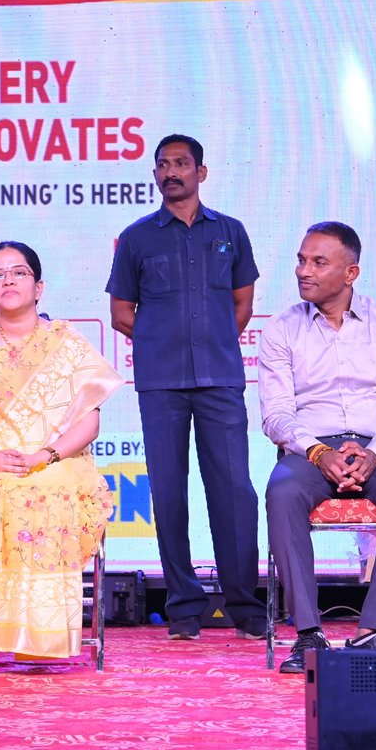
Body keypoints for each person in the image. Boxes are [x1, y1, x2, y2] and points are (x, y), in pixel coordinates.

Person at [106, 133, 264, 641]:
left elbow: (242, 304)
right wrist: (162, 341)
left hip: (220, 379)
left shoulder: (230, 232)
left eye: (180, 163)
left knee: (233, 491)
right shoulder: (136, 238)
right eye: (162, 165)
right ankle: (183, 606)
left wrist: (211, 341)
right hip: (161, 384)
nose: (171, 172)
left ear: (201, 172)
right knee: (169, 492)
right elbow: (121, 312)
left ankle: (244, 604)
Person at [260, 222, 376, 675]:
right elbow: (275, 414)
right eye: (301, 260)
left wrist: (375, 453)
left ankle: (374, 631)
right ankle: (307, 634)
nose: (304, 271)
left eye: (319, 262)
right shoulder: (281, 328)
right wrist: (320, 453)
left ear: (350, 273)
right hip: (310, 451)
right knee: (282, 492)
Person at [0, 241, 119, 659]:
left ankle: (44, 632)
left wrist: (45, 456)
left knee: (48, 489)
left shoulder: (66, 344)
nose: (8, 281)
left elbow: (88, 422)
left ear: (38, 288)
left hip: (57, 458)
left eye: (18, 272)